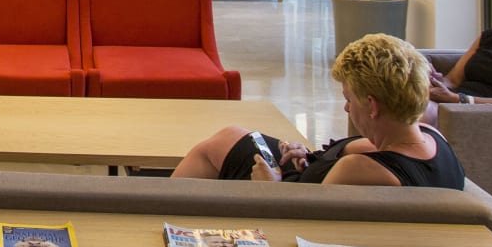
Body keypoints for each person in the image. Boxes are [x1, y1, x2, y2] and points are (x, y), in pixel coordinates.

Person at [170, 33, 466, 189]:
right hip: (300, 172)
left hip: (283, 194)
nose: (346, 108)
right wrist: (307, 157)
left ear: (373, 106)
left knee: (216, 147)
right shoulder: (431, 136)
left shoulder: (361, 170)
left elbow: (307, 216)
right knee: (227, 137)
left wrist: (269, 189)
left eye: (349, 99)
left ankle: (162, 209)